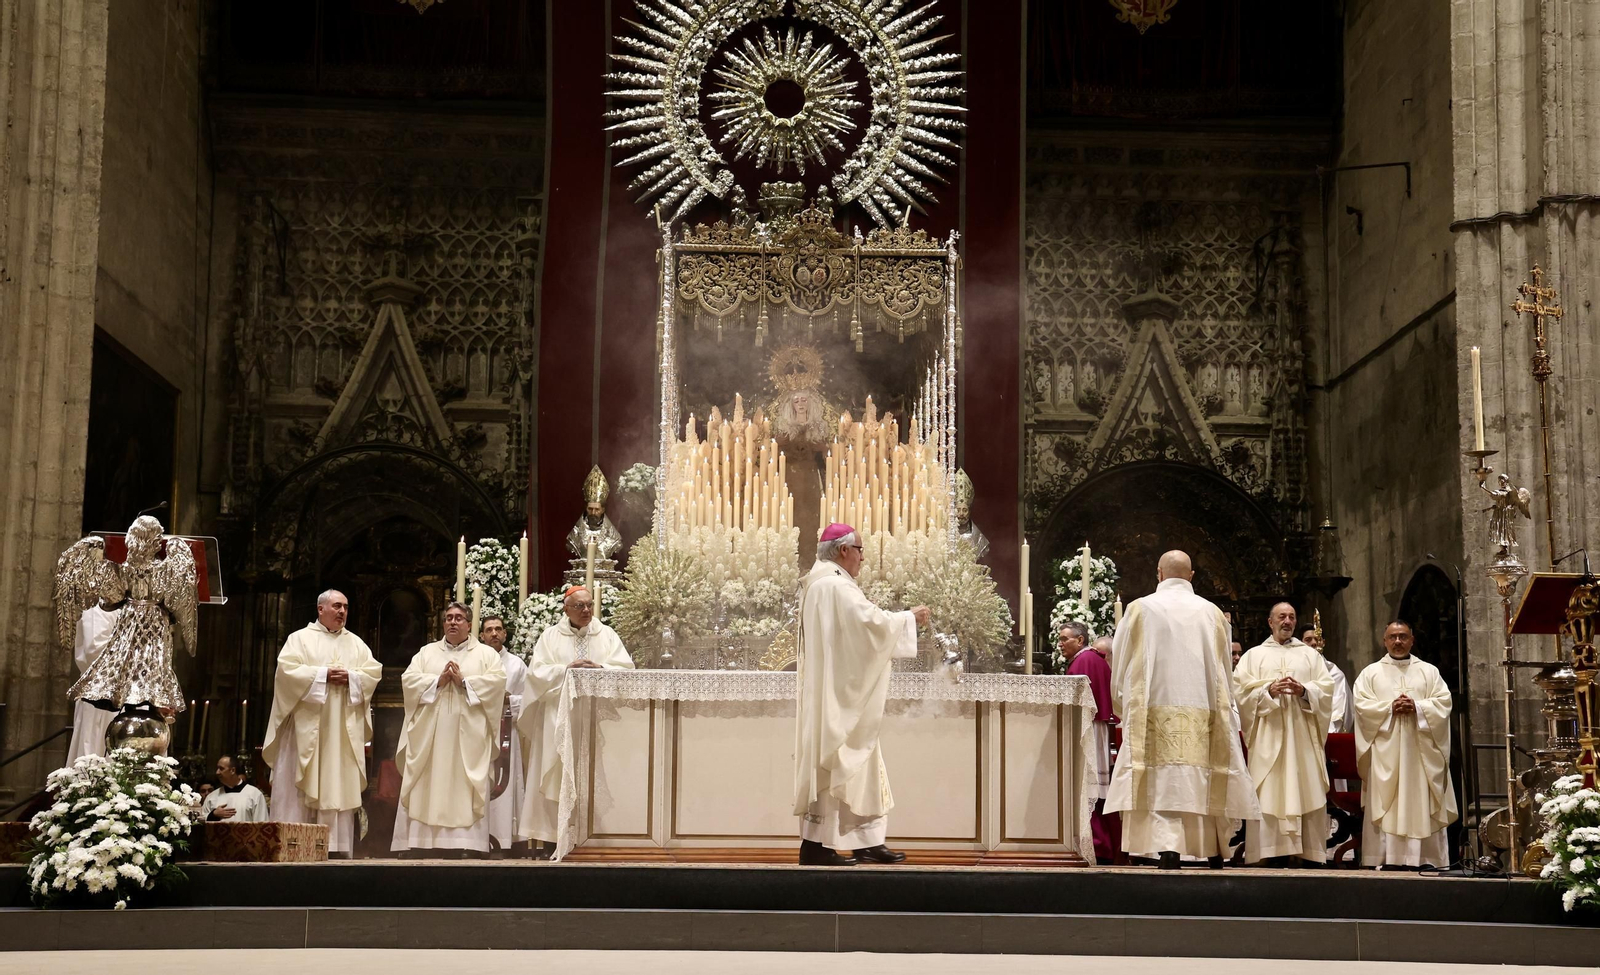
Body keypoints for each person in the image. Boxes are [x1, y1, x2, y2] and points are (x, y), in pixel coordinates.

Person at [1107, 550, 1258, 869]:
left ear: (1159, 574)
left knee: (1162, 782)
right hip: (1205, 713)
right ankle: (1212, 848)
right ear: (1191, 576)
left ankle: (1166, 849)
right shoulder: (1214, 614)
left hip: (1152, 712)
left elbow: (1119, 668)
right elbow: (1224, 672)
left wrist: (1124, 709)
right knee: (1200, 780)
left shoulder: (1138, 610)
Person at [793, 523, 931, 866]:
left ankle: (864, 840)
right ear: (843, 551)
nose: (862, 558)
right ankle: (818, 847)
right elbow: (871, 625)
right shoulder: (836, 586)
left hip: (841, 689)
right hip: (840, 694)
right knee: (840, 759)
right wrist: (908, 618)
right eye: (860, 550)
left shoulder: (819, 584)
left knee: (857, 759)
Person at [262, 590, 382, 856]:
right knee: (298, 781)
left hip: (341, 731)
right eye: (337, 606)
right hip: (306, 728)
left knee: (336, 780)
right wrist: (322, 675)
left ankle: (336, 847)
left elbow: (373, 672)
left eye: (346, 607)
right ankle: (294, 843)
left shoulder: (356, 644)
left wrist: (351, 677)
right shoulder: (299, 639)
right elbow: (286, 672)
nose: (342, 612)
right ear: (320, 609)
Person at [517, 585, 634, 856]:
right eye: (579, 606)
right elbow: (536, 674)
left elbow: (626, 670)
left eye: (589, 605)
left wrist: (601, 669)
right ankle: (551, 837)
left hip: (595, 719)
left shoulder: (606, 635)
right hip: (557, 717)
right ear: (565, 608)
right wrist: (566, 670)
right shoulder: (550, 637)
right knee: (555, 770)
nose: (586, 611)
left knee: (593, 773)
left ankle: (593, 835)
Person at [391, 601, 506, 856]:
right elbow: (408, 681)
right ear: (444, 623)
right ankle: (421, 842)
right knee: (427, 782)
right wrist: (437, 681)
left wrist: (466, 683)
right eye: (449, 618)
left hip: (469, 737)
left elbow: (497, 685)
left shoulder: (486, 655)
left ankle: (468, 843)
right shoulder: (426, 653)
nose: (453, 622)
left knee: (464, 783)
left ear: (469, 624)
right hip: (430, 736)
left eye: (459, 618)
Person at [1235, 603, 1334, 866]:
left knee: (1305, 787)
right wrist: (1267, 691)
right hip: (1268, 740)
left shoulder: (1311, 657)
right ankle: (1269, 853)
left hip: (1302, 740)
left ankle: (1308, 855)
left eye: (1291, 616)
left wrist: (1304, 691)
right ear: (1270, 622)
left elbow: (1326, 690)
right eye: (1282, 616)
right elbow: (1241, 693)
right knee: (1269, 792)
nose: (1287, 621)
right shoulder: (1253, 657)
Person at [1353, 621, 1458, 869]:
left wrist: (1418, 707)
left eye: (1403, 636)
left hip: (1421, 753)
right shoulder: (1371, 673)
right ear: (1384, 640)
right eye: (1392, 637)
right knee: (1387, 803)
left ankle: (1426, 858)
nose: (1397, 641)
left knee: (1421, 798)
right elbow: (1361, 706)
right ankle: (1385, 858)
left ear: (1412, 640)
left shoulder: (1429, 672)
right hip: (1386, 753)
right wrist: (1389, 707)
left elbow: (1443, 702)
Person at [1061, 622, 1118, 864]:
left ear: (1080, 640)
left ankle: (1095, 845)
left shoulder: (1083, 662)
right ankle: (1107, 845)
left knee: (1089, 788)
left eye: (1065, 639)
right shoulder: (1096, 660)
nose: (1060, 644)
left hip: (1087, 730)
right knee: (1099, 790)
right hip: (1098, 729)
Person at [479, 613, 529, 854]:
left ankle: (506, 837)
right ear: (481, 635)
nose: (494, 634)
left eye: (498, 629)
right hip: (478, 730)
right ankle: (478, 834)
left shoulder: (517, 664)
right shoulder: (475, 660)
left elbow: (529, 698)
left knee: (507, 782)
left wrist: (510, 700)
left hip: (507, 728)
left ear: (505, 634)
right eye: (489, 630)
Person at [64, 604, 123, 762]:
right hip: (101, 696)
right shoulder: (100, 604)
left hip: (129, 696)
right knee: (95, 762)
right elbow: (95, 649)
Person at [1299, 621, 1354, 734]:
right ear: (1300, 643)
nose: (1314, 643)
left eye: (1317, 639)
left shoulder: (1335, 675)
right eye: (1308, 640)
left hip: (1327, 735)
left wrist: (1325, 735)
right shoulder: (1294, 672)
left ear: (1323, 643)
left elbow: (1340, 711)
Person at [200, 755, 267, 823]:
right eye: (217, 768)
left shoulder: (254, 794)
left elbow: (262, 824)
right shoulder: (212, 797)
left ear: (232, 770)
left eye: (221, 768)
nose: (217, 772)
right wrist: (213, 815)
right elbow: (200, 820)